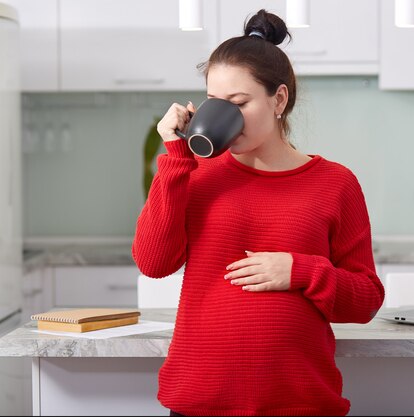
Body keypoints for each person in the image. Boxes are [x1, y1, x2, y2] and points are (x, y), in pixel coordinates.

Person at [132, 9, 384, 417]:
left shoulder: (335, 183)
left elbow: (366, 300)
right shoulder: (194, 174)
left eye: (240, 102)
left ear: (278, 99)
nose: (225, 116)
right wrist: (176, 154)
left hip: (300, 402)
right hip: (200, 398)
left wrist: (300, 271)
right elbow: (154, 262)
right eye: (216, 103)